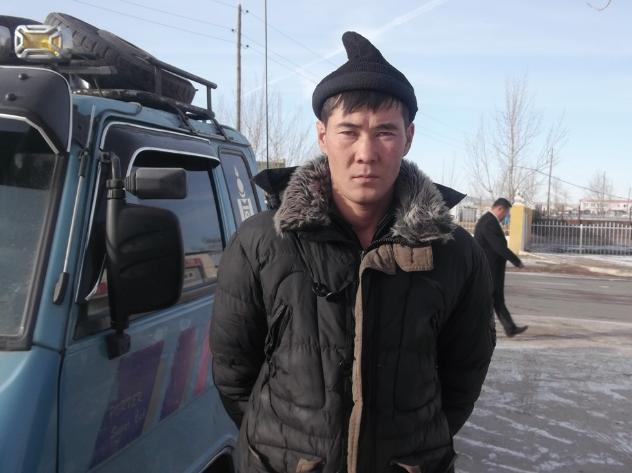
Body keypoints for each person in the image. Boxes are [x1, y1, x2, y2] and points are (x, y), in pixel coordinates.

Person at [210, 31, 495, 473]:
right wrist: (284, 444)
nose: (367, 153)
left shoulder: (454, 252)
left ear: (408, 137)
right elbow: (233, 372)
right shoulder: (262, 241)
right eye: (349, 131)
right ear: (323, 135)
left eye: (385, 132)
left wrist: (409, 446)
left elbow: (464, 372)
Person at [474, 198, 528, 337]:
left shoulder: (489, 221)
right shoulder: (488, 222)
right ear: (500, 209)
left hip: (493, 268)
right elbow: (499, 247)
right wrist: (516, 261)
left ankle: (510, 328)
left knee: (497, 299)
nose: (507, 216)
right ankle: (474, 330)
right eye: (506, 212)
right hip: (490, 269)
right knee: (487, 300)